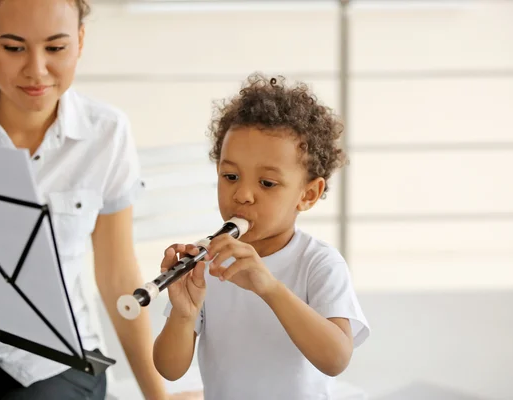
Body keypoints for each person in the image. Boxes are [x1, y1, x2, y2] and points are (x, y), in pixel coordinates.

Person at [0, 0, 174, 399]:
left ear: (80, 41)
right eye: (14, 47)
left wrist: (157, 395)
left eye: (55, 48)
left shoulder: (107, 133)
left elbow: (117, 275)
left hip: (57, 360)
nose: (36, 69)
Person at [153, 73, 371, 400]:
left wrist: (268, 288)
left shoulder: (319, 263)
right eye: (230, 176)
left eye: (267, 183)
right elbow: (169, 368)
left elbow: (336, 358)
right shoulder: (205, 259)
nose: (242, 194)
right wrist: (184, 314)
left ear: (308, 194)